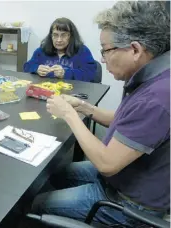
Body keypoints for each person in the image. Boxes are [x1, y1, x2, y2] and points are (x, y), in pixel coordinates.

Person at [32, 1, 170, 227]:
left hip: (127, 201)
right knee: (52, 171)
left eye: (106, 50)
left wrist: (69, 114)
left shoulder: (156, 98)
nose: (103, 59)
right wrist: (85, 108)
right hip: (125, 175)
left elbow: (106, 163)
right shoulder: (155, 76)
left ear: (135, 49)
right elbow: (128, 123)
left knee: (36, 201)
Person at [23, 18, 97, 82]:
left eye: (63, 35)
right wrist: (36, 69)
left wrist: (66, 73)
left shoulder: (82, 51)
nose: (59, 40)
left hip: (72, 94)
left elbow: (90, 74)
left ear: (71, 36)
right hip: (46, 90)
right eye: (55, 35)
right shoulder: (42, 50)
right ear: (51, 36)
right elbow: (27, 66)